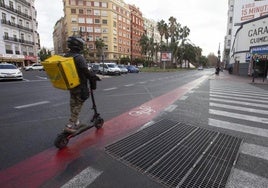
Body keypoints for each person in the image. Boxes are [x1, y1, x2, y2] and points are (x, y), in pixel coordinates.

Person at [64, 36, 100, 133]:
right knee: (78, 104)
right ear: (79, 46)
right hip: (80, 86)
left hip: (72, 85)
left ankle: (76, 123)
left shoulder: (66, 56)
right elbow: (86, 71)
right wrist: (94, 77)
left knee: (73, 103)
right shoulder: (79, 57)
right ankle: (70, 125)